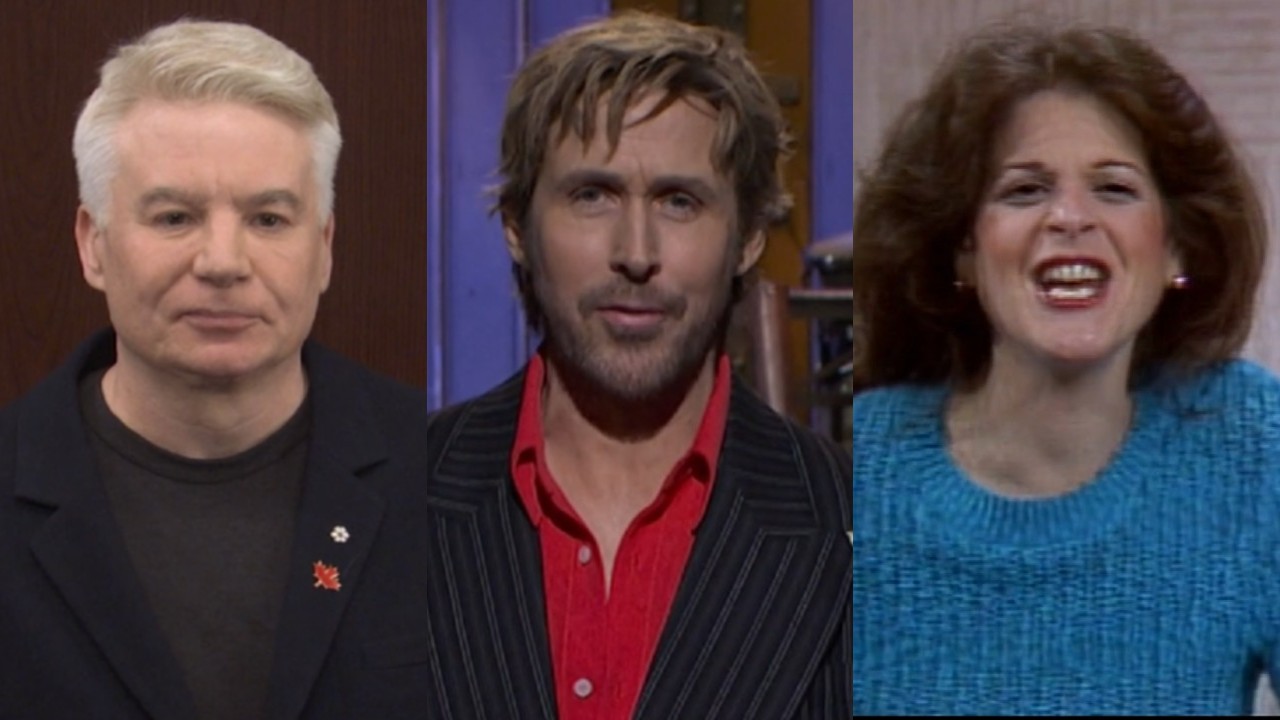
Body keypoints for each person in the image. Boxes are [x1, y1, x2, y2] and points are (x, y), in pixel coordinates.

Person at [423, 11, 851, 719]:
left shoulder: (861, 529)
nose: (636, 253)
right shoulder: (390, 505)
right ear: (517, 227)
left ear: (747, 238)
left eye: (680, 202)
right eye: (592, 196)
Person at [0, 20, 434, 719]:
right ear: (93, 245)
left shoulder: (450, 475)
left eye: (268, 219)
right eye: (175, 217)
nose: (224, 263)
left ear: (324, 248)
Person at [852, 21, 1280, 715]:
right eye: (1024, 191)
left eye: (1114, 188)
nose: (1070, 217)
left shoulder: (1252, 446)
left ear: (1176, 248)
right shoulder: (853, 468)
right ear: (964, 250)